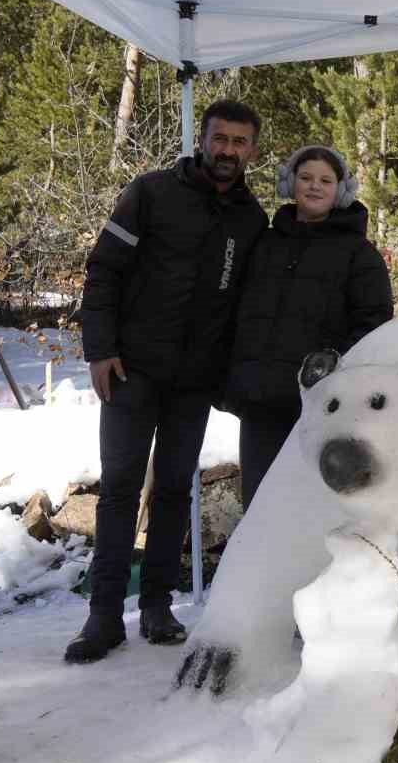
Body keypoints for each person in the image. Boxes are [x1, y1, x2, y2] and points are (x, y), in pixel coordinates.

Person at [65, 100, 268, 663]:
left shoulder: (251, 220)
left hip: (194, 381)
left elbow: (246, 308)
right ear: (202, 139)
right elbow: (103, 269)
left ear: (252, 150)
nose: (228, 150)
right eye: (220, 139)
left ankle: (157, 605)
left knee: (176, 488)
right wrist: (100, 349)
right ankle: (103, 616)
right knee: (120, 488)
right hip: (132, 369)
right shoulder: (150, 193)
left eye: (240, 142)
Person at [224, 145, 393, 508]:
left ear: (340, 190)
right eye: (305, 178)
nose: (314, 187)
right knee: (260, 508)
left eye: (325, 180)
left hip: (321, 410)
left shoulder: (359, 255)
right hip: (261, 405)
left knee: (311, 511)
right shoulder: (264, 244)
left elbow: (373, 325)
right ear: (290, 183)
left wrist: (328, 374)